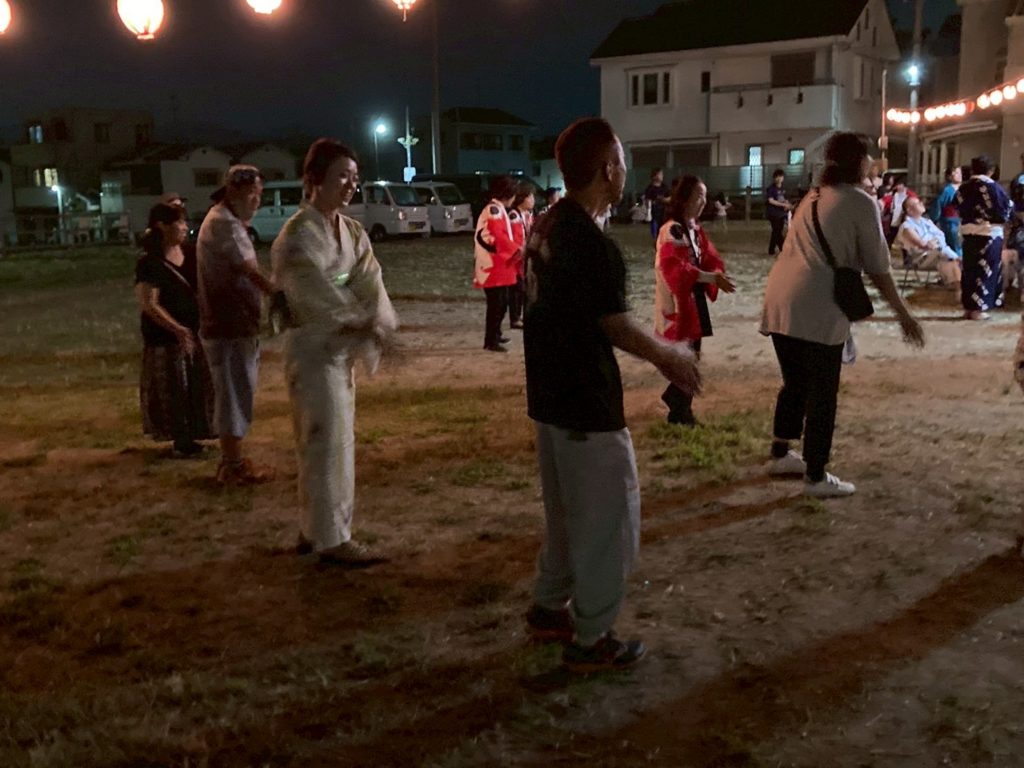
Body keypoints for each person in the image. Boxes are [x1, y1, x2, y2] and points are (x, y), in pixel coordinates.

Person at [522, 117, 702, 673]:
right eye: (622, 160)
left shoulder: (547, 224)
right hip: (584, 402)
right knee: (607, 522)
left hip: (548, 397)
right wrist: (671, 357)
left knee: (564, 516)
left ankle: (549, 607)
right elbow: (615, 324)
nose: (626, 170)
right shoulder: (591, 243)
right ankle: (591, 638)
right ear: (607, 169)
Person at [761, 132, 924, 498]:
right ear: (859, 162)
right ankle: (815, 475)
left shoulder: (813, 196)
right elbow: (878, 268)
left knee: (795, 384)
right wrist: (904, 315)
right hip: (817, 304)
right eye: (868, 157)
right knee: (822, 393)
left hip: (780, 299)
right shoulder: (860, 202)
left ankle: (781, 453)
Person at [271, 138, 398, 566]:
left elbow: (369, 278)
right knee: (325, 442)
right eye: (341, 176)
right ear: (314, 179)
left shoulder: (352, 231)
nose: (350, 185)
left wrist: (375, 318)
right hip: (313, 349)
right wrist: (357, 320)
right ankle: (331, 539)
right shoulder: (297, 236)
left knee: (332, 441)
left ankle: (316, 529)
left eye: (354, 177)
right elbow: (312, 292)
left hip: (338, 350)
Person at [196, 164, 276, 484]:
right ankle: (232, 465)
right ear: (233, 192)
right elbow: (251, 271)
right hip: (227, 325)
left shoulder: (226, 220)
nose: (257, 201)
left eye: (259, 194)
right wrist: (280, 296)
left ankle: (233, 461)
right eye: (252, 194)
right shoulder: (224, 223)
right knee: (232, 394)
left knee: (237, 391)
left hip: (233, 324)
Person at [134, 202, 215, 457]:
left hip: (194, 332)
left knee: (195, 386)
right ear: (162, 226)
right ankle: (181, 440)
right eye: (179, 222)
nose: (184, 227)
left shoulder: (190, 254)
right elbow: (150, 303)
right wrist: (176, 328)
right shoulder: (150, 263)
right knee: (173, 388)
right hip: (165, 338)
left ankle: (197, 432)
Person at [654, 176, 735, 425]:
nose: (703, 201)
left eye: (705, 196)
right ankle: (681, 411)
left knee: (693, 353)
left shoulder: (694, 228)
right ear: (685, 198)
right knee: (687, 355)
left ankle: (677, 401)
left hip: (692, 298)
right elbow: (674, 267)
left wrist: (716, 273)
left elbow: (708, 256)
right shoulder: (673, 230)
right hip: (679, 301)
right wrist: (710, 277)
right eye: (699, 196)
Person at [956, 155, 1013, 320]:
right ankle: (979, 309)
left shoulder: (963, 188)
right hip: (989, 234)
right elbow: (1005, 209)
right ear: (991, 170)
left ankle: (969, 307)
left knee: (969, 270)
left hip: (968, 233)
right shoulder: (994, 188)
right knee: (986, 270)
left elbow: (958, 206)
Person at [473, 176, 519, 352]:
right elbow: (498, 236)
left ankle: (495, 334)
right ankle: (490, 340)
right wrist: (516, 250)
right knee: (496, 304)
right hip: (493, 265)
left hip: (497, 264)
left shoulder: (496, 209)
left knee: (501, 302)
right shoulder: (494, 210)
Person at [894, 197, 962, 288]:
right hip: (921, 257)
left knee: (955, 258)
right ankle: (956, 284)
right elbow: (923, 244)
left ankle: (956, 283)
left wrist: (933, 241)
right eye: (917, 203)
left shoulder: (927, 222)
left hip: (938, 251)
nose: (921, 203)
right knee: (947, 256)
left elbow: (941, 237)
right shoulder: (907, 226)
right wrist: (934, 241)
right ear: (909, 210)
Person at [507, 181, 535, 330]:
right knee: (517, 289)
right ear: (522, 198)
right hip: (516, 258)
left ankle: (521, 315)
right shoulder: (514, 216)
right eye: (530, 197)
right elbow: (516, 239)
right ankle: (515, 317)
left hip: (523, 257)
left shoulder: (527, 215)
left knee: (523, 288)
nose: (533, 200)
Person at [929, 166, 963, 257]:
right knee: (954, 245)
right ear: (949, 176)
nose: (959, 175)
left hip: (961, 220)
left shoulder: (964, 189)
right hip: (950, 221)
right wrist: (934, 219)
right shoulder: (947, 190)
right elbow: (938, 205)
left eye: (960, 173)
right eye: (956, 173)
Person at [880, 176, 918, 245]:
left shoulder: (910, 195)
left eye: (898, 185)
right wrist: (882, 203)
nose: (897, 187)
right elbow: (886, 200)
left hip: (906, 220)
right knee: (890, 237)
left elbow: (915, 202)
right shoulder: (894, 194)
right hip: (894, 220)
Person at [766, 169, 792, 255]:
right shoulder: (771, 188)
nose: (779, 178)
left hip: (781, 213)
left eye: (780, 176)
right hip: (773, 213)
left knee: (776, 231)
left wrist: (787, 204)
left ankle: (771, 249)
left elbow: (785, 199)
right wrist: (783, 204)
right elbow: (771, 200)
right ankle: (783, 248)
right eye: (777, 177)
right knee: (777, 231)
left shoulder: (784, 188)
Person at [643, 168, 671, 239]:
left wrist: (663, 200)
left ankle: (662, 236)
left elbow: (669, 197)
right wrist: (648, 211)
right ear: (654, 176)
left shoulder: (664, 187)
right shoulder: (650, 188)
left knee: (663, 224)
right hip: (654, 210)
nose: (662, 176)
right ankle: (655, 237)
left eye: (662, 175)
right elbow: (648, 199)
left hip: (663, 209)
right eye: (660, 174)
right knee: (655, 222)